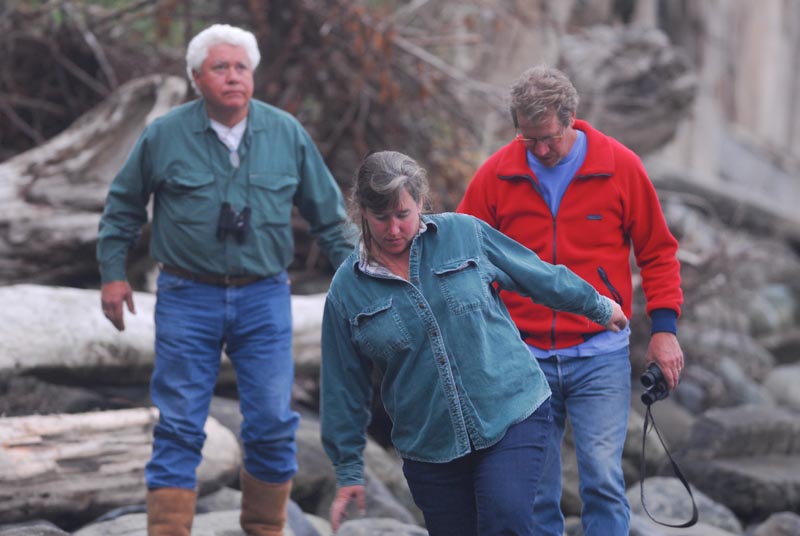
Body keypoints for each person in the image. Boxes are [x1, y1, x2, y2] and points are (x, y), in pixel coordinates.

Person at [96, 24, 355, 536]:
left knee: (273, 423)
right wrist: (112, 275)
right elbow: (122, 207)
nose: (233, 77)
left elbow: (329, 218)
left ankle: (265, 527)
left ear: (252, 75)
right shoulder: (164, 135)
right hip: (185, 296)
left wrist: (360, 281)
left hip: (264, 297)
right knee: (178, 425)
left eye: (241, 67)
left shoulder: (286, 133)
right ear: (197, 78)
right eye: (220, 68)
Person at [320, 150, 628, 535]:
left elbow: (537, 276)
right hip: (430, 447)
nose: (393, 229)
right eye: (381, 218)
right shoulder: (346, 291)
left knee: (505, 520)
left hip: (510, 412)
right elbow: (342, 388)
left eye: (403, 215)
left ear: (420, 202)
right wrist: (348, 469)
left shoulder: (464, 234)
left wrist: (597, 306)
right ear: (362, 212)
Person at [457, 65, 685, 536]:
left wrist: (664, 331)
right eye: (528, 139)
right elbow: (461, 258)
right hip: (523, 359)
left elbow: (658, 252)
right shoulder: (496, 175)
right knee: (536, 492)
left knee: (602, 479)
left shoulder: (620, 167)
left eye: (548, 138)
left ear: (571, 118)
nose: (540, 150)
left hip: (600, 353)